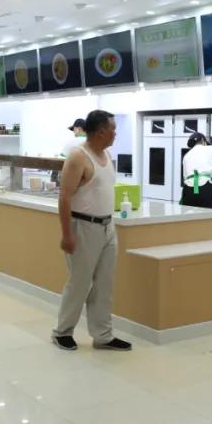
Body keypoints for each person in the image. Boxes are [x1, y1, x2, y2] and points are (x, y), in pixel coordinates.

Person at [52, 110, 132, 352]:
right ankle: (62, 332)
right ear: (100, 131)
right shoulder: (78, 157)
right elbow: (64, 197)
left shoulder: (107, 154)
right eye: (113, 129)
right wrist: (67, 234)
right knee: (80, 282)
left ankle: (103, 335)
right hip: (83, 227)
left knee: (104, 284)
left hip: (108, 227)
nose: (115, 133)